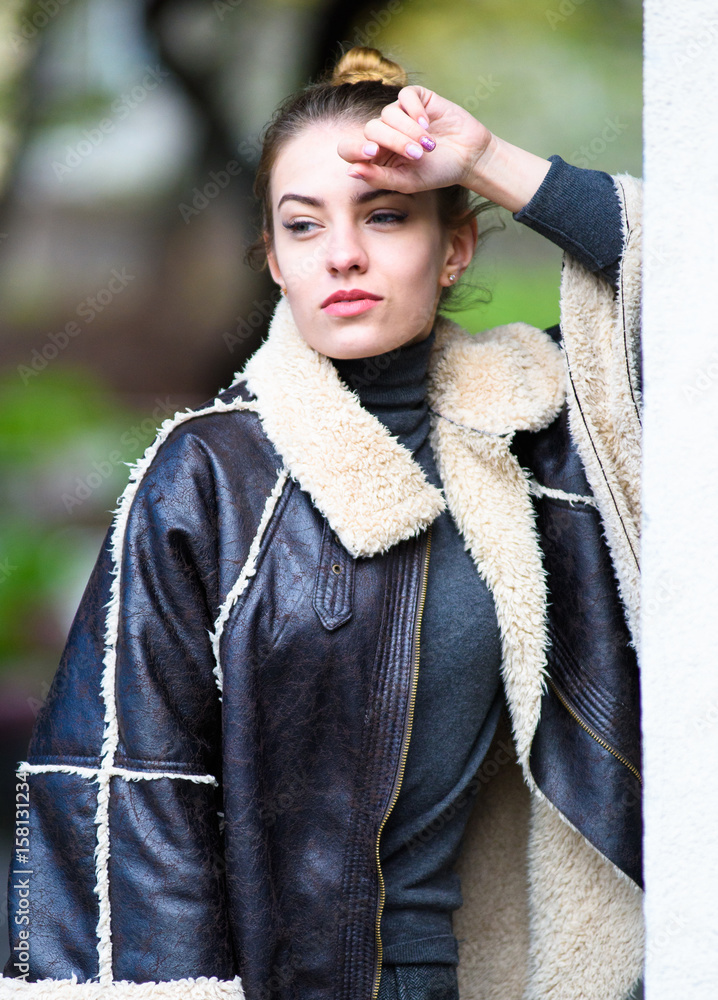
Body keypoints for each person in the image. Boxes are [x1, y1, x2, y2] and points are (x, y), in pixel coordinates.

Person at [2, 45, 643, 1000]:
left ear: (457, 244)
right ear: (274, 259)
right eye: (304, 226)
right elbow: (128, 801)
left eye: (385, 216)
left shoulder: (546, 437)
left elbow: (681, 293)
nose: (343, 253)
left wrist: (489, 161)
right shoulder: (211, 478)